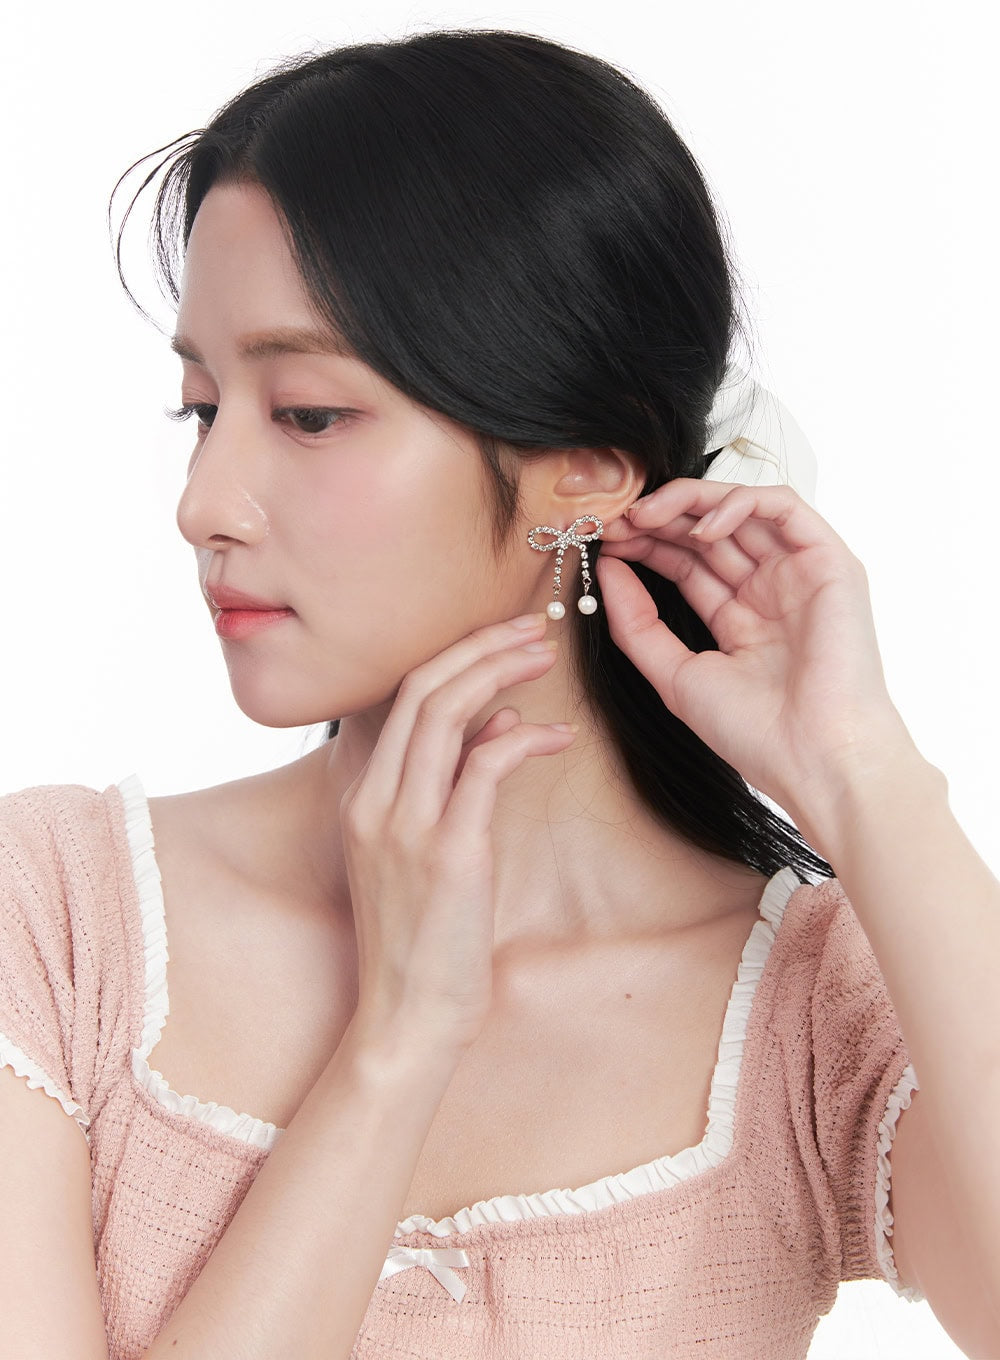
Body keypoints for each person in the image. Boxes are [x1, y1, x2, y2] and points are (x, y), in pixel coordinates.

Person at [1, 27, 997, 1360]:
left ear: (585, 468)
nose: (204, 506)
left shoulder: (813, 1006)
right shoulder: (52, 920)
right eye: (202, 407)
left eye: (307, 414)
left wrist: (868, 774)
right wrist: (397, 1045)